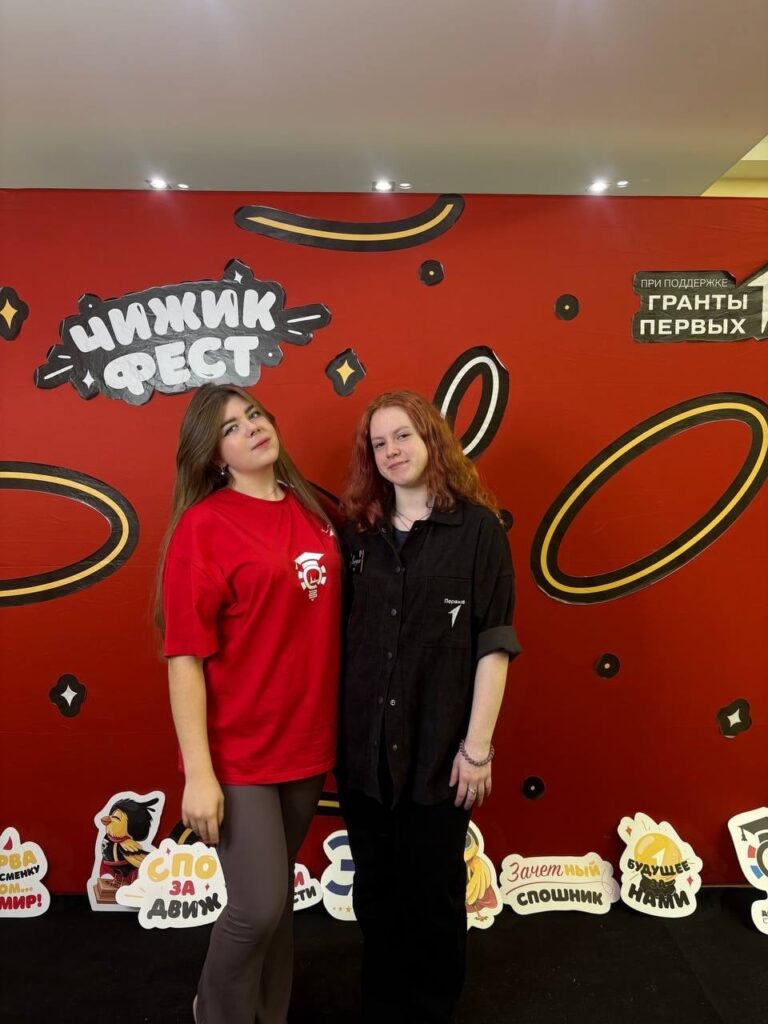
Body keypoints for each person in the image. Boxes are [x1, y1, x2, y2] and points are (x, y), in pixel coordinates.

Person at [156, 383, 340, 1024]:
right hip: (237, 751)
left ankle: (269, 1013)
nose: (252, 428)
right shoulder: (203, 528)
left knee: (278, 896)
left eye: (254, 414)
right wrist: (198, 774)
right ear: (214, 455)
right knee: (258, 905)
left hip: (306, 742)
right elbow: (185, 658)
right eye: (231, 427)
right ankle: (217, 1011)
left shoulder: (315, 509)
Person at [337, 390, 520, 1024]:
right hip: (364, 754)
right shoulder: (355, 535)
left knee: (434, 896)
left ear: (432, 440)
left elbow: (494, 645)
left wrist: (477, 750)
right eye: (378, 443)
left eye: (403, 436)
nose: (391, 451)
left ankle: (432, 1009)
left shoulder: (479, 532)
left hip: (441, 756)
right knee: (375, 892)